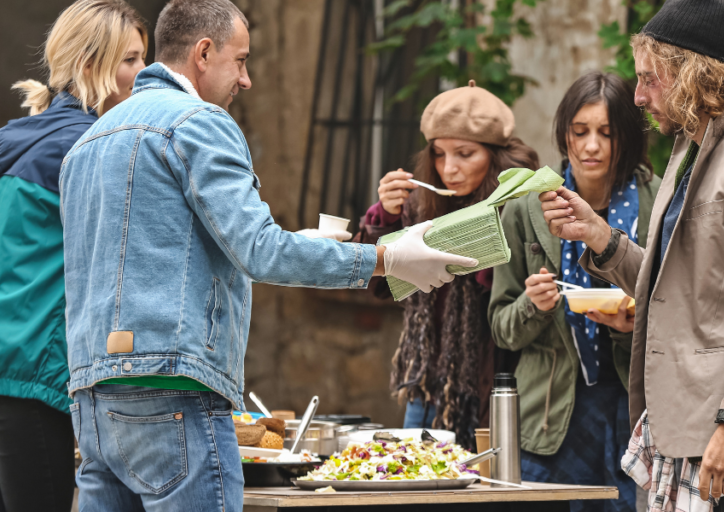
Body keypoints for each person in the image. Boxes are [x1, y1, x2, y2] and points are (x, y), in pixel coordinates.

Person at [59, 1, 474, 509]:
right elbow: (260, 250)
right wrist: (387, 258)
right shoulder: (199, 122)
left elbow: (164, 250)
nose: (248, 79)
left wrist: (298, 243)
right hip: (173, 392)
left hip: (92, 395)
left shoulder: (87, 141)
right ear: (204, 53)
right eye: (241, 60)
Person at [540, 1, 724, 510]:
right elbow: (676, 288)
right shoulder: (692, 149)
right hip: (685, 421)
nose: (639, 96)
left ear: (694, 75)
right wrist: (601, 237)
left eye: (651, 79)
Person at [0, 2, 147, 511]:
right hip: (32, 377)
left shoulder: (6, 141)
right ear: (87, 65)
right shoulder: (91, 147)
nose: (143, 75)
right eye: (130, 60)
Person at [489, 71, 657, 511]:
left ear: (629, 138)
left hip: (634, 406)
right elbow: (501, 329)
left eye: (607, 132)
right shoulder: (527, 208)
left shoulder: (659, 202)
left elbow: (686, 313)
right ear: (564, 134)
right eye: (579, 132)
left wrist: (631, 324)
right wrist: (533, 304)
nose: (591, 146)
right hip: (549, 414)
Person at [354, 80, 539, 450]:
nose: (448, 168)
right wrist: (386, 217)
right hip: (426, 382)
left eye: (465, 154)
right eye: (439, 154)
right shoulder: (419, 206)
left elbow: (516, 299)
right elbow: (379, 284)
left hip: (492, 382)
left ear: (495, 156)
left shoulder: (519, 206)